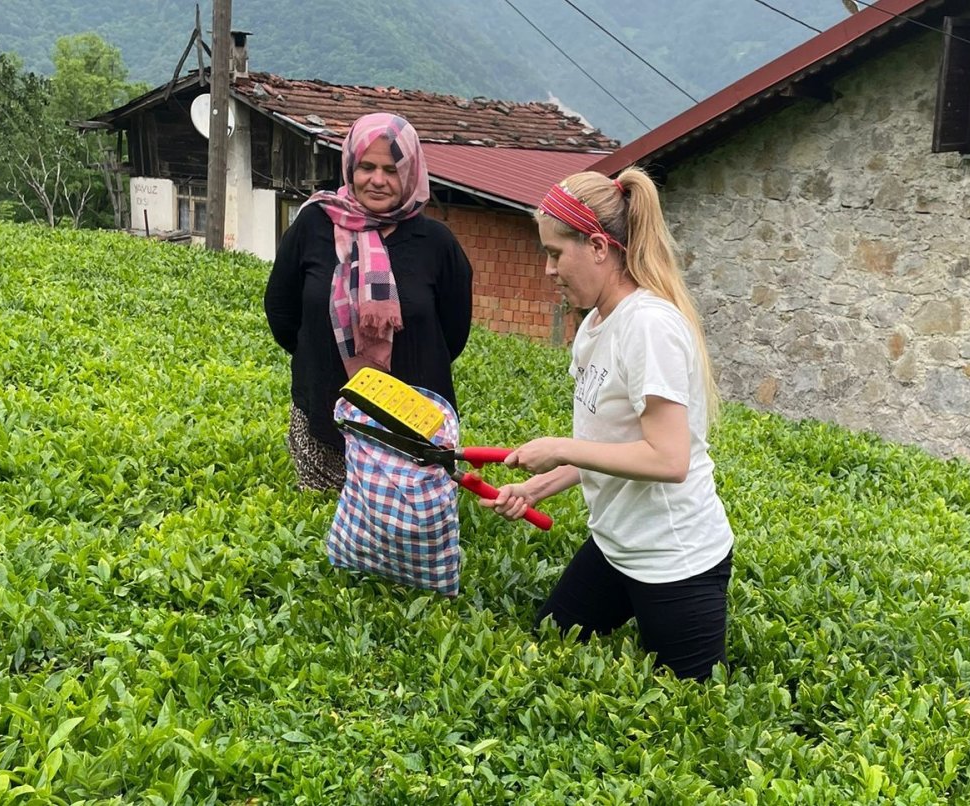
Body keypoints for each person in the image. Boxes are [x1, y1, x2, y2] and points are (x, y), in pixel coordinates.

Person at [481, 168, 734, 681]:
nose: (549, 269)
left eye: (555, 253)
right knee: (549, 644)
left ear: (598, 246)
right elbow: (611, 444)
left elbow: (668, 459)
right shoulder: (596, 322)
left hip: (675, 560)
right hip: (616, 545)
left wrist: (561, 447)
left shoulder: (649, 326)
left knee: (691, 710)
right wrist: (538, 487)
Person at [264, 113, 473, 491]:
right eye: (367, 166)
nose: (378, 180)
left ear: (410, 173)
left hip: (413, 429)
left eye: (392, 169)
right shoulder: (313, 224)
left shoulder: (436, 243)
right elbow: (282, 311)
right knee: (320, 536)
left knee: (403, 539)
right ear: (349, 166)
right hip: (324, 421)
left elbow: (453, 333)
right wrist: (322, 353)